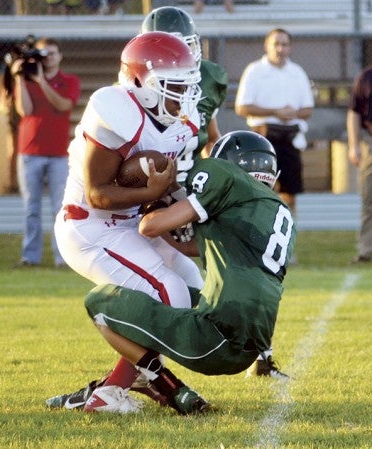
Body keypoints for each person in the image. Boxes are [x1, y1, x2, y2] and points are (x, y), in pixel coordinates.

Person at [45, 6, 229, 412]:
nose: (184, 97)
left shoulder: (178, 122)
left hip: (129, 223)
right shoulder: (115, 109)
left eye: (187, 86)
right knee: (169, 293)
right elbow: (98, 194)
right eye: (173, 87)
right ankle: (144, 386)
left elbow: (157, 194)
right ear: (140, 81)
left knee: (190, 283)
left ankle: (114, 387)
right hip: (90, 227)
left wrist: (176, 204)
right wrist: (155, 187)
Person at [81, 130, 296, 414]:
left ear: (228, 164)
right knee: (170, 294)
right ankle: (144, 376)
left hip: (214, 339)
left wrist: (155, 196)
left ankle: (168, 386)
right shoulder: (275, 209)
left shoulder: (224, 177)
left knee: (98, 301)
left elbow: (150, 227)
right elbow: (196, 247)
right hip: (251, 347)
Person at [10, 37, 81, 267]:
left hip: (58, 154)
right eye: (43, 53)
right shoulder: (26, 81)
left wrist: (41, 80)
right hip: (29, 152)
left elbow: (63, 105)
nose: (48, 57)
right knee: (31, 208)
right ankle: (30, 257)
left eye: (52, 53)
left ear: (59, 56)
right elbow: (25, 110)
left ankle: (63, 258)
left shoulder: (69, 80)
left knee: (60, 208)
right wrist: (20, 78)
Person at [140, 5, 229, 182]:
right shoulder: (134, 84)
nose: (181, 54)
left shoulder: (209, 77)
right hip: (145, 186)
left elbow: (211, 137)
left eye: (187, 45)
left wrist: (217, 173)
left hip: (192, 182)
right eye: (170, 48)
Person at [235, 28, 314, 219]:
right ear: (266, 46)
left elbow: (308, 109)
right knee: (260, 189)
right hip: (263, 136)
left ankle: (286, 233)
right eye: (276, 44)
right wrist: (275, 112)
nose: (280, 49)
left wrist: (292, 113)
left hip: (290, 136)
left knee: (290, 192)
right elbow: (242, 107)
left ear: (290, 47)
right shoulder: (255, 71)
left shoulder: (297, 72)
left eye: (284, 44)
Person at [347, 66, 372, 264]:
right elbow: (354, 113)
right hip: (370, 143)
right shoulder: (365, 77)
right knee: (369, 199)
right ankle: (366, 251)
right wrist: (354, 145)